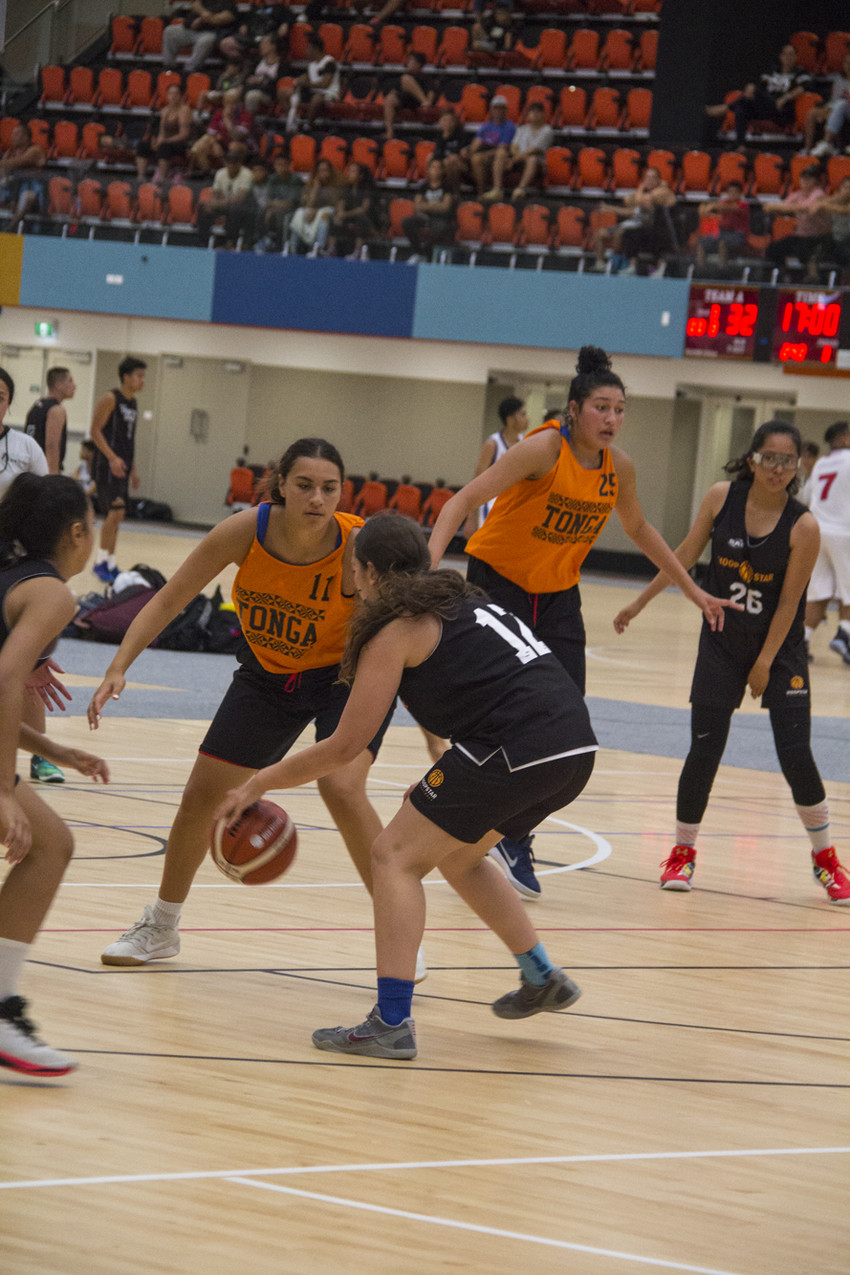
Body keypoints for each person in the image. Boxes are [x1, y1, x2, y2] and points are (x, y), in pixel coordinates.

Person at [214, 513, 597, 1060]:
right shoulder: (462, 599)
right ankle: (540, 976)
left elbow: (344, 747)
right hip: (573, 748)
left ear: (367, 572)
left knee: (392, 855)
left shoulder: (395, 631)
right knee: (459, 857)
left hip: (515, 745)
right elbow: (479, 679)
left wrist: (260, 782)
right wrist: (443, 762)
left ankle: (391, 1022)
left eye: (354, 569)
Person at [88, 439, 426, 978]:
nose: (317, 498)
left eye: (329, 488)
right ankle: (162, 925)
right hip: (268, 675)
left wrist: (434, 726)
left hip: (342, 677)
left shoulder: (358, 547)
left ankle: (399, 929)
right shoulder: (246, 531)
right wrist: (118, 665)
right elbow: (172, 597)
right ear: (279, 486)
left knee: (340, 785)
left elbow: (413, 631)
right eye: (305, 485)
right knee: (203, 796)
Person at [427, 347, 736, 900]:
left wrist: (692, 591)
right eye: (601, 407)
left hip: (558, 595)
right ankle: (468, 809)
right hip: (498, 580)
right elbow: (464, 500)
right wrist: (429, 570)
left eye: (620, 409)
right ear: (574, 410)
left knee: (570, 729)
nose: (612, 419)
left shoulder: (619, 468)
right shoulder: (544, 448)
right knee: (495, 709)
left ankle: (513, 833)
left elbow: (640, 529)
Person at [613, 422, 850, 906]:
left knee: (796, 755)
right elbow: (682, 556)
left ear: (798, 465)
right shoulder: (722, 498)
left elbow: (790, 605)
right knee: (704, 750)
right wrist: (639, 603)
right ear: (752, 459)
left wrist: (764, 662)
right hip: (722, 642)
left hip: (779, 650)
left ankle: (826, 859)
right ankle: (682, 851)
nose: (779, 469)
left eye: (788, 461)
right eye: (770, 458)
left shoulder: (804, 525)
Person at [0, 472, 109, 1076]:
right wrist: (3, 788)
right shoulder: (51, 594)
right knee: (47, 849)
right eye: (91, 526)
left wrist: (53, 750)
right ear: (75, 532)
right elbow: (6, 680)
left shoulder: (10, 580)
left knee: (52, 845)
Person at [0, 367, 71, 785]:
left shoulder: (24, 446)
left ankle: (39, 758)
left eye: (3, 394)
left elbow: (47, 503)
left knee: (29, 662)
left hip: (13, 562)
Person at [89, 355, 147, 585]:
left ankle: (110, 563)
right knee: (113, 513)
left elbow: (127, 440)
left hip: (122, 466)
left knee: (119, 515)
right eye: (139, 376)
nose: (143, 381)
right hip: (106, 466)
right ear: (126, 377)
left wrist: (133, 469)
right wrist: (112, 458)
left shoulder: (133, 403)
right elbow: (95, 431)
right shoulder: (110, 398)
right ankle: (100, 562)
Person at [804, 420, 850, 667]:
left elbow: (809, 496)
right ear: (843, 438)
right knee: (849, 590)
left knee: (819, 591)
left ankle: (802, 640)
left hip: (818, 531)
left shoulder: (822, 463)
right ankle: (844, 634)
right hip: (844, 532)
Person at [706, 44, 812, 148]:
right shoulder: (771, 72)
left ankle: (725, 108)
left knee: (753, 89)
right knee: (741, 108)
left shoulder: (801, 73)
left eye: (791, 54)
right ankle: (741, 146)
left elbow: (802, 88)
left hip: (783, 111)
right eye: (785, 54)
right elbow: (760, 91)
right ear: (780, 57)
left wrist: (784, 98)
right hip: (766, 107)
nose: (788, 57)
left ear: (796, 57)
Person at [463, 394, 528, 538]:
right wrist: (470, 519)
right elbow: (476, 482)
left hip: (515, 507)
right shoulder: (492, 445)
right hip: (492, 506)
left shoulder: (525, 443)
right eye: (522, 414)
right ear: (510, 419)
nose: (527, 419)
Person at [591, 166, 675, 274]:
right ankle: (599, 264)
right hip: (631, 222)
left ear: (658, 180)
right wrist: (608, 207)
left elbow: (641, 201)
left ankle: (615, 263)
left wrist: (640, 187)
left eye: (652, 177)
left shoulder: (662, 192)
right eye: (647, 177)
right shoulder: (643, 193)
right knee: (599, 233)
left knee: (619, 234)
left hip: (646, 226)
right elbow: (628, 203)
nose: (649, 180)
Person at [764, 165, 831, 281]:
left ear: (815, 181)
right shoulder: (797, 194)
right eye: (803, 178)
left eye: (808, 179)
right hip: (801, 236)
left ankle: (813, 279)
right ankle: (782, 275)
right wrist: (774, 209)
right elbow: (784, 207)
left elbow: (806, 207)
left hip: (819, 237)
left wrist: (775, 206)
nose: (804, 181)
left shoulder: (818, 194)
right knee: (773, 248)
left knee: (806, 251)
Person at [487, 100, 553, 202]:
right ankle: (497, 189)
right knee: (501, 153)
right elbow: (514, 146)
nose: (535, 114)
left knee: (532, 159)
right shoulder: (522, 129)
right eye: (532, 112)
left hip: (536, 164)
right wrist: (513, 158)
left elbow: (533, 150)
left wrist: (513, 160)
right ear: (528, 114)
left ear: (543, 114)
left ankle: (520, 189)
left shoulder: (547, 130)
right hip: (518, 159)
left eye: (538, 112)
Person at [196, 145, 255, 247]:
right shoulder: (220, 173)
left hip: (244, 208)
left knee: (234, 209)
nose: (231, 166)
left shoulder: (247, 174)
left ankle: (230, 242)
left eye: (234, 163)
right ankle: (203, 241)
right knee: (203, 206)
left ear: (239, 164)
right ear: (225, 163)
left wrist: (218, 203)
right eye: (229, 163)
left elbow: (240, 198)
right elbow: (215, 194)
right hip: (225, 204)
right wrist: (213, 204)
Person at [135, 83, 193, 185]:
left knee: (164, 147)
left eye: (176, 94)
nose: (173, 96)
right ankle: (141, 177)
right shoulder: (165, 110)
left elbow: (184, 135)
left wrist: (164, 141)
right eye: (170, 93)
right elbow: (162, 132)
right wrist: (158, 141)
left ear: (181, 96)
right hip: (167, 142)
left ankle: (162, 178)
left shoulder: (184, 110)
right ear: (167, 95)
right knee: (143, 145)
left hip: (182, 144)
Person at [282, 34, 341, 132]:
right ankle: (293, 122)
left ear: (315, 49)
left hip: (328, 93)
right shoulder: (311, 65)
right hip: (312, 91)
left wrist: (307, 84)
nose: (306, 52)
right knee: (283, 93)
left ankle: (308, 126)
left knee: (316, 98)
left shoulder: (329, 63)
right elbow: (305, 78)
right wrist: (299, 81)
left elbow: (325, 84)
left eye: (308, 48)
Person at [401, 157, 456, 262]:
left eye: (438, 167)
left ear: (442, 170)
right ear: (429, 169)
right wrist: (436, 206)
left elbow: (446, 206)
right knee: (406, 222)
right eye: (433, 167)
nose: (435, 170)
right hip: (424, 217)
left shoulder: (446, 187)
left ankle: (425, 250)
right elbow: (417, 206)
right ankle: (418, 251)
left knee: (442, 228)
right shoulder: (423, 187)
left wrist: (427, 206)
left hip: (440, 219)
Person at [24, 366, 76, 476]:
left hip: (28, 470)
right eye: (70, 381)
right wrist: (52, 479)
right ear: (58, 385)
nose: (74, 386)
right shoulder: (57, 410)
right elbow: (52, 447)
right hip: (43, 472)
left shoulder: (36, 406)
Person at [162, 0, 237, 75]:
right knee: (170, 31)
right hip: (188, 29)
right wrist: (203, 13)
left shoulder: (228, 3)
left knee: (206, 40)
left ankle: (190, 69)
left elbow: (227, 17)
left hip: (208, 32)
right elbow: (194, 5)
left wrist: (204, 19)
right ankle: (169, 66)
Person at [694, 180, 751, 272]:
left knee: (723, 243)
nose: (732, 194)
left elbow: (728, 207)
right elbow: (703, 210)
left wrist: (711, 207)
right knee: (701, 241)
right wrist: (708, 208)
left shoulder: (744, 204)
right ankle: (700, 270)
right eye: (730, 192)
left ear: (740, 193)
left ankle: (722, 270)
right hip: (722, 233)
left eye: (735, 192)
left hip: (738, 235)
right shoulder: (723, 202)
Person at [466, 95, 516, 199]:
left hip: (498, 154)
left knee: (480, 157)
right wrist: (469, 151)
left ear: (505, 110)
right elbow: (476, 142)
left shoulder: (509, 126)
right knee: (473, 157)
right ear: (492, 110)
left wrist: (480, 153)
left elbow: (503, 147)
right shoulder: (486, 126)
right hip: (484, 151)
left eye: (501, 109)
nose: (498, 111)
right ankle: (481, 192)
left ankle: (494, 190)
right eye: (496, 108)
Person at [287, 158, 339, 255]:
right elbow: (308, 204)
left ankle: (319, 248)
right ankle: (292, 247)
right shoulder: (310, 184)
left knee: (323, 214)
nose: (322, 173)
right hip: (312, 210)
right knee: (299, 213)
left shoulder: (335, 185)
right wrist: (315, 189)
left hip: (329, 211)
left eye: (325, 170)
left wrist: (316, 211)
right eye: (320, 171)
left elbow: (334, 203)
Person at [0, 122, 47, 228]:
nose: (12, 137)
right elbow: (4, 173)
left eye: (16, 134)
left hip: (34, 191)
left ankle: (10, 228)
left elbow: (18, 163)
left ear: (25, 137)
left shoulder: (35, 150)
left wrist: (4, 163)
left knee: (27, 197)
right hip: (13, 189)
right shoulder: (11, 153)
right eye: (12, 134)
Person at [382, 51, 435, 141]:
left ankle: (423, 100)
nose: (408, 63)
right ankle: (390, 132)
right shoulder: (401, 78)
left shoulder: (426, 77)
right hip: (406, 101)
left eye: (411, 61)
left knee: (405, 78)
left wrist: (428, 102)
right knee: (389, 99)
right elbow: (395, 91)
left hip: (420, 103)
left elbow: (431, 91)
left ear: (418, 64)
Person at [327, 161, 375, 259]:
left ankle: (358, 251)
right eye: (349, 171)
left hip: (368, 220)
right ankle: (331, 249)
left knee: (361, 220)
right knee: (334, 219)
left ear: (361, 175)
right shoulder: (346, 188)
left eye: (353, 171)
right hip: (349, 218)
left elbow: (363, 209)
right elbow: (341, 203)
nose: (349, 174)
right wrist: (340, 213)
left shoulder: (366, 189)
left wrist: (346, 214)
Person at [807, 50, 850, 158]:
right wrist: (827, 110)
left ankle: (827, 143)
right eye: (846, 63)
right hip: (840, 109)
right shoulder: (839, 81)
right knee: (812, 113)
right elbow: (834, 100)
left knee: (840, 105)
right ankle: (807, 149)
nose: (848, 66)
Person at [431, 109, 468, 194]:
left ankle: (455, 194)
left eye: (450, 121)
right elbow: (437, 154)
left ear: (455, 122)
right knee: (431, 161)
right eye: (444, 120)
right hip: (444, 164)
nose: (447, 123)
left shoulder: (461, 135)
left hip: (462, 166)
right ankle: (430, 190)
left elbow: (462, 154)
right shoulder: (439, 136)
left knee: (451, 160)